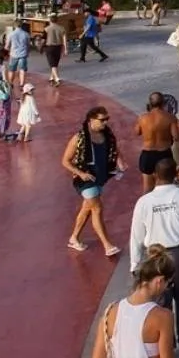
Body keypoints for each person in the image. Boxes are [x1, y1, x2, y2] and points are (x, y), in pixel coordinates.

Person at [129, 157, 179, 352]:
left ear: (155, 175)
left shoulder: (144, 202)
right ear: (176, 174)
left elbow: (136, 236)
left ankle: (167, 344)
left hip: (155, 257)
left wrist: (135, 264)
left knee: (162, 301)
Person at [63, 106, 123, 256]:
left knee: (87, 209)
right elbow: (65, 160)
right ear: (91, 120)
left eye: (107, 119)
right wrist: (80, 173)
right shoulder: (79, 138)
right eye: (102, 120)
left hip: (100, 177)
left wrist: (120, 161)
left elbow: (114, 148)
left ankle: (74, 238)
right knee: (97, 209)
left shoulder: (106, 135)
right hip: (85, 180)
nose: (105, 122)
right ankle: (107, 245)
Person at [134, 93, 179, 195]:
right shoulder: (170, 118)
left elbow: (137, 132)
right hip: (164, 154)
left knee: (147, 188)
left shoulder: (142, 118)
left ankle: (146, 209)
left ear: (150, 104)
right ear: (163, 103)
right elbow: (176, 137)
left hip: (147, 154)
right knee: (166, 187)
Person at [5, 19, 31, 90]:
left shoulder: (11, 34)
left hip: (13, 54)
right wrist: (28, 52)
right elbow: (28, 45)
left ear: (14, 25)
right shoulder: (26, 34)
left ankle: (10, 83)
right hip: (23, 54)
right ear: (21, 25)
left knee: (11, 69)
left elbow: (7, 45)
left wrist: (6, 52)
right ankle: (21, 84)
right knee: (22, 69)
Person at [44, 16, 66, 86]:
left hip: (49, 47)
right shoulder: (62, 28)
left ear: (50, 21)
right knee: (55, 63)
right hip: (58, 47)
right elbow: (64, 39)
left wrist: (40, 47)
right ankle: (51, 77)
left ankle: (57, 78)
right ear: (57, 21)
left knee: (52, 64)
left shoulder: (46, 29)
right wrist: (65, 49)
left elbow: (43, 39)